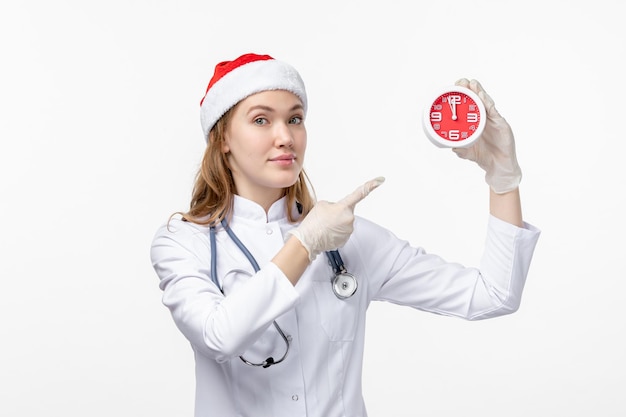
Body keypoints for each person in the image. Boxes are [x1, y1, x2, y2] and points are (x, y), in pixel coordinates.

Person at [150, 52, 540, 417]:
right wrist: (305, 244)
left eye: (296, 118)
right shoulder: (186, 243)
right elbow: (219, 336)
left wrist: (503, 177)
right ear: (222, 140)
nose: (285, 136)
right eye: (261, 120)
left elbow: (493, 295)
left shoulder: (348, 240)